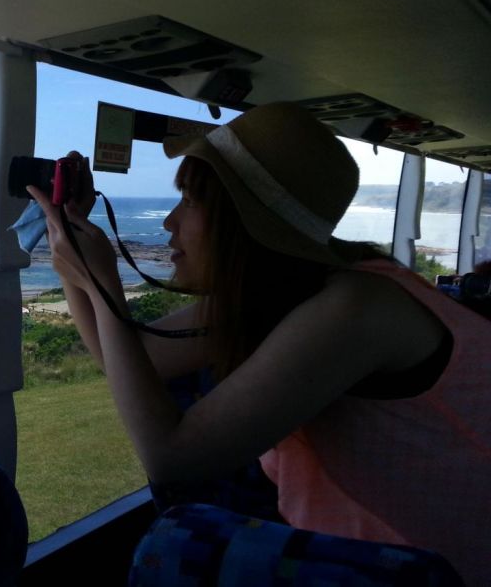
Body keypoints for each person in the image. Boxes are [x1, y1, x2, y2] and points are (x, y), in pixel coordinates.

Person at [27, 102, 489, 584]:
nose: (169, 222)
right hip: (357, 557)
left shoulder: (360, 308)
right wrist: (74, 262)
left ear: (242, 217)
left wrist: (97, 281)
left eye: (188, 200)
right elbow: (134, 357)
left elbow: (175, 459)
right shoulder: (285, 291)